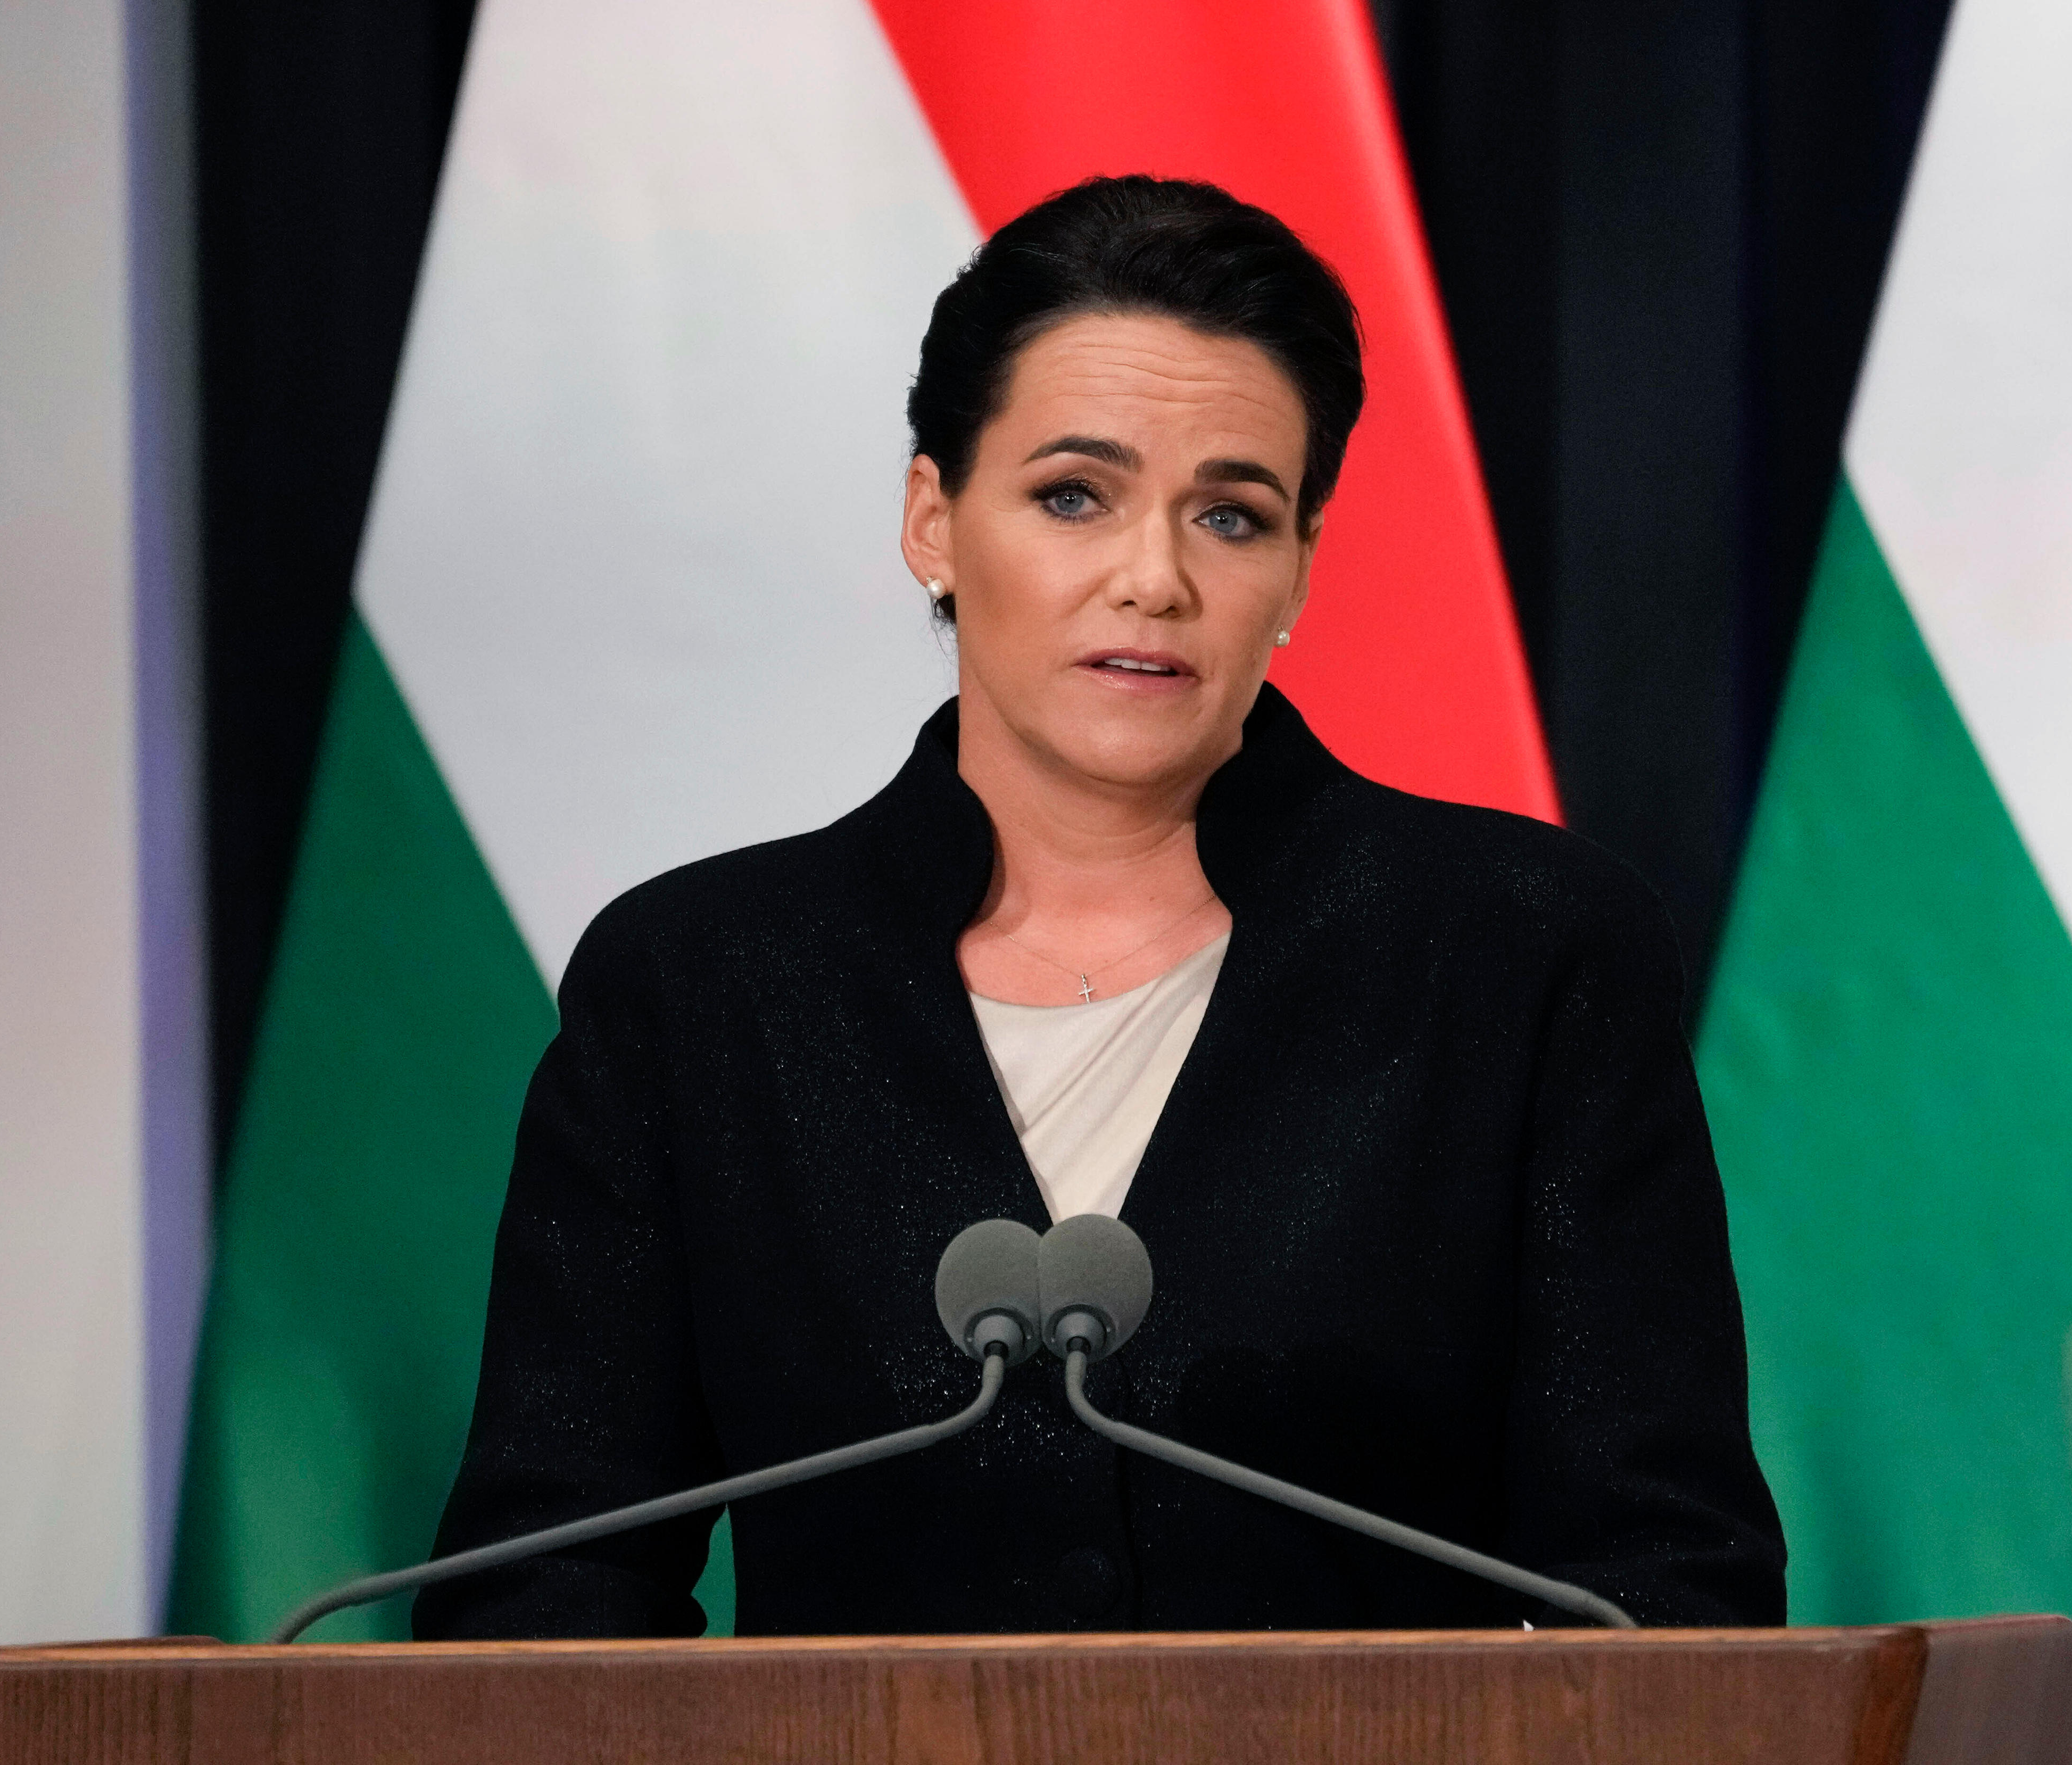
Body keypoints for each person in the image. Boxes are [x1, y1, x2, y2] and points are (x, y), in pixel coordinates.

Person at [413, 175, 1785, 1638]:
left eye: (1233, 515)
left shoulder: (1522, 956)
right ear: (934, 520)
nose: (1155, 578)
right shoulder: (699, 990)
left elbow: (1665, 1592)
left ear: (1300, 569)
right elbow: (543, 1599)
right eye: (1075, 495)